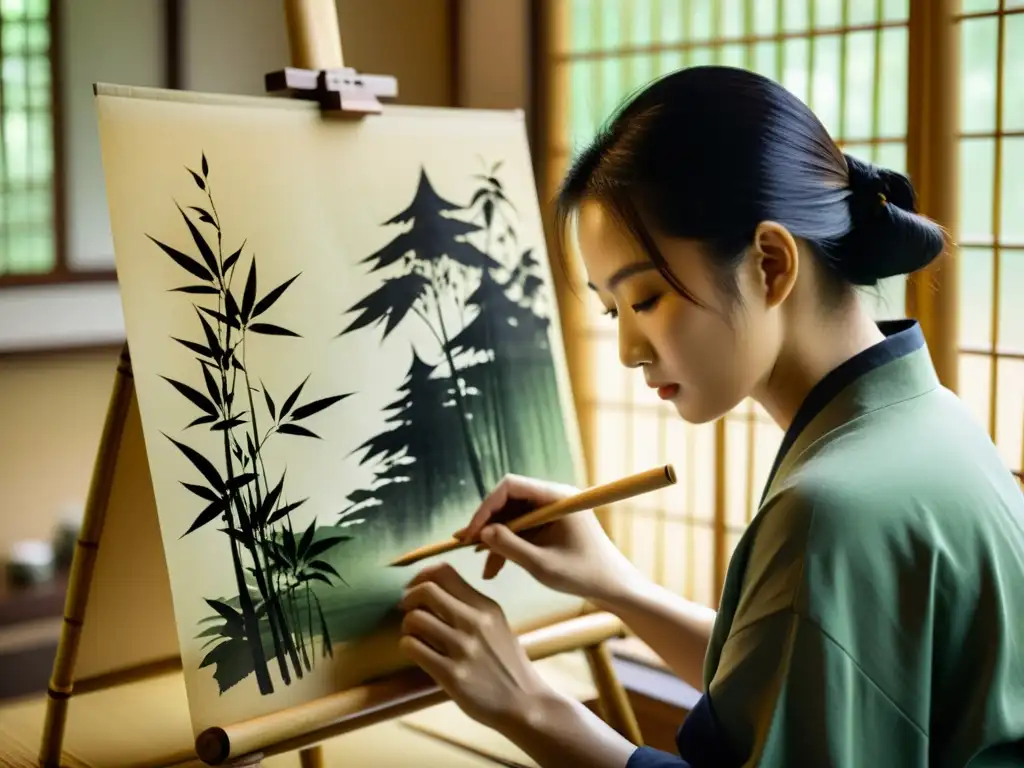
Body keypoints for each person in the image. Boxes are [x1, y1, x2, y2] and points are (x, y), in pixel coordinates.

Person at [396, 65, 1024, 767]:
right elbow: (800, 678)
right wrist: (617, 585)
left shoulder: (831, 509)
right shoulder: (935, 422)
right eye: (612, 311)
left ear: (770, 264)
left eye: (644, 301)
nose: (630, 351)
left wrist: (526, 703)